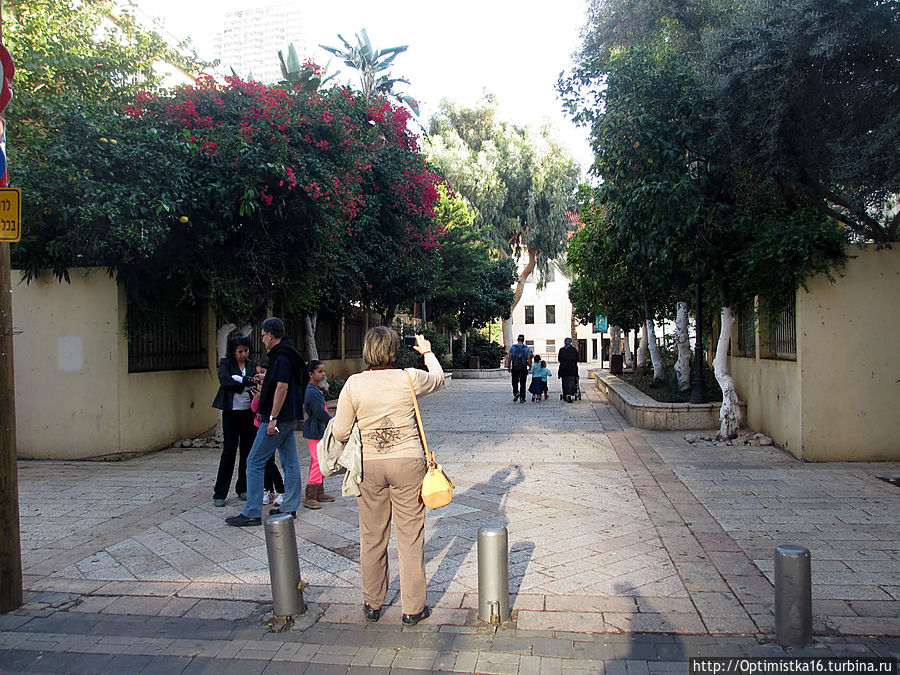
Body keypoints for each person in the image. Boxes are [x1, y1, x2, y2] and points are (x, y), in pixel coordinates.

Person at [332, 327, 443, 626]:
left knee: (372, 536)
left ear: (367, 349)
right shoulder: (409, 377)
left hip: (370, 465)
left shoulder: (354, 384)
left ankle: (373, 603)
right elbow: (439, 379)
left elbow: (341, 432)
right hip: (407, 462)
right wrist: (427, 352)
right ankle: (413, 608)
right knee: (410, 537)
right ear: (393, 350)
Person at [226, 317, 305, 526]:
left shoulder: (281, 358)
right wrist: (266, 380)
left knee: (254, 461)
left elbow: (282, 388)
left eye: (262, 336)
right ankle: (289, 506)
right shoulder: (290, 353)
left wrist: (272, 418)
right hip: (290, 415)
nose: (261, 340)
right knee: (290, 461)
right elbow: (280, 382)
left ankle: (252, 512)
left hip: (279, 417)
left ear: (270, 335)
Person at [211, 335, 257, 507]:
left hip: (248, 412)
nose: (243, 354)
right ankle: (220, 492)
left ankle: (242, 487)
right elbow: (225, 382)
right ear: (233, 352)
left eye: (245, 351)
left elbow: (255, 382)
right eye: (240, 351)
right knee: (229, 451)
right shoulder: (225, 364)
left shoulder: (251, 364)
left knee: (247, 450)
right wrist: (244, 382)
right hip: (231, 412)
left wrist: (243, 381)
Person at [249, 357, 285, 508]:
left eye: (262, 373)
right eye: (257, 373)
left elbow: (271, 408)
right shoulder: (259, 389)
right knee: (261, 462)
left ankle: (281, 490)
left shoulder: (273, 389)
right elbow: (253, 408)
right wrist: (257, 397)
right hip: (258, 426)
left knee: (269, 462)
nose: (259, 377)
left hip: (269, 427)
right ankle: (268, 489)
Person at [302, 360, 335, 510]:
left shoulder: (315, 390)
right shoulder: (311, 391)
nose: (323, 374)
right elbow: (319, 411)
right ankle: (310, 494)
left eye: (323, 371)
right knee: (318, 460)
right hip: (315, 428)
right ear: (311, 374)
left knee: (319, 459)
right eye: (320, 371)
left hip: (319, 428)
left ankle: (319, 491)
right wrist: (331, 421)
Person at [505, 334, 533, 402]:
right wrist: (530, 366)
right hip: (523, 367)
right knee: (523, 383)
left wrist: (509, 366)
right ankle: (522, 398)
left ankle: (516, 393)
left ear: (517, 340)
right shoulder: (527, 348)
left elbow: (510, 357)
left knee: (514, 382)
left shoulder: (512, 348)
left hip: (515, 367)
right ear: (523, 340)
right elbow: (529, 358)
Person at [558, 337, 580, 403]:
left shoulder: (562, 350)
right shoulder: (574, 350)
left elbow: (559, 359)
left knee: (564, 383)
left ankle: (565, 395)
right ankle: (569, 395)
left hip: (563, 369)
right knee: (571, 382)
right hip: (572, 369)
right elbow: (577, 359)